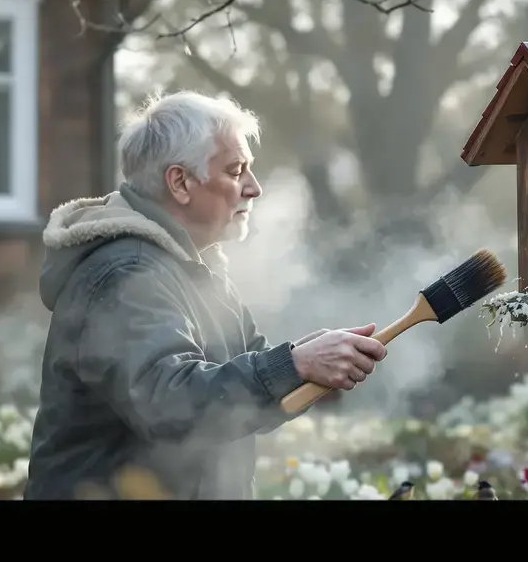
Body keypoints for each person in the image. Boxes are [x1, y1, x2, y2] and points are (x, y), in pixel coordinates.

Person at [24, 90, 388, 500]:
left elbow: (237, 395)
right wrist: (295, 364)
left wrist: (310, 366)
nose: (255, 188)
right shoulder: (127, 274)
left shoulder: (199, 267)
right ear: (180, 182)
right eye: (235, 171)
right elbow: (171, 404)